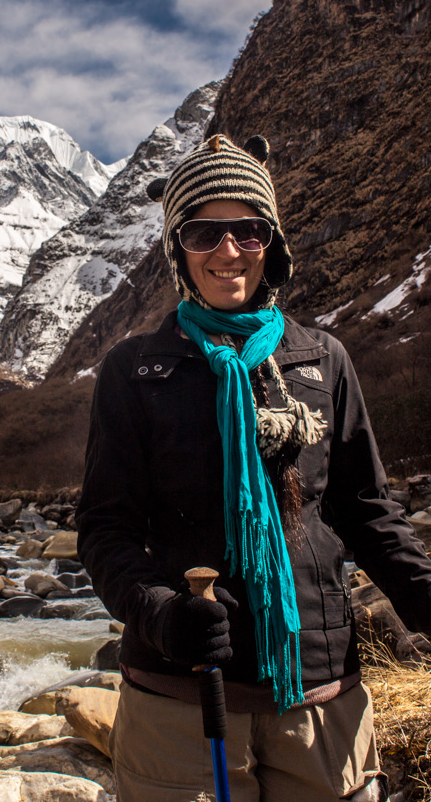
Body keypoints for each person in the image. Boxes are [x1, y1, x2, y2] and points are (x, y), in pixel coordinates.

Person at [76, 133, 431, 802]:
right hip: (180, 697)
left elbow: (366, 512)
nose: (228, 250)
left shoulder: (323, 360)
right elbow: (104, 529)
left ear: (272, 243)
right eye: (202, 233)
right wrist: (159, 613)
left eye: (248, 229)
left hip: (318, 694)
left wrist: (423, 597)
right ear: (177, 248)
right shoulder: (134, 370)